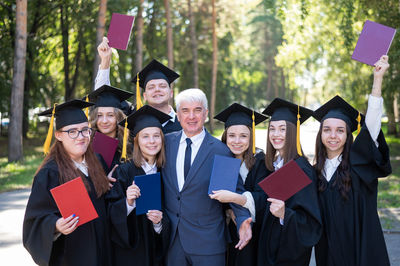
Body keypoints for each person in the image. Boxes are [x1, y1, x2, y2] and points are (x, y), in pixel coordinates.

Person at [313, 55, 391, 266]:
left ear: (348, 135)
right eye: (327, 130)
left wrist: (377, 80)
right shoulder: (314, 172)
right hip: (326, 254)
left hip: (359, 253)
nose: (333, 136)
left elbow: (372, 127)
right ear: (320, 134)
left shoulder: (358, 165)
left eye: (340, 130)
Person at [162, 88, 252, 266]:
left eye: (197, 110)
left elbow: (234, 190)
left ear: (206, 114)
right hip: (173, 242)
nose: (191, 116)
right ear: (178, 115)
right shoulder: (165, 144)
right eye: (185, 111)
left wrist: (243, 220)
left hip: (208, 244)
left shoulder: (221, 150)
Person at [23, 100, 111, 266]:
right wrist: (55, 226)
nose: (81, 137)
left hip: (104, 253)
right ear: (58, 135)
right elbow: (34, 220)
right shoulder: (50, 173)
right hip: (72, 257)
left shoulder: (97, 162)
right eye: (72, 132)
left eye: (85, 130)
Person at [257, 98, 322, 266]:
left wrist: (285, 214)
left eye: (282, 129)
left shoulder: (301, 170)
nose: (276, 134)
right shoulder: (272, 165)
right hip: (269, 248)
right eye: (272, 129)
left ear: (293, 131)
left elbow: (311, 224)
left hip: (288, 255)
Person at [106, 105, 172, 266]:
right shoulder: (123, 172)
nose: (151, 141)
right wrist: (128, 203)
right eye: (145, 136)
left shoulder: (167, 172)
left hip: (157, 254)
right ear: (136, 141)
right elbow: (109, 214)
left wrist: (158, 224)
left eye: (156, 136)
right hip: (130, 255)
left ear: (162, 139)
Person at [211, 103, 269, 266]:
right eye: (232, 135)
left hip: (254, 233)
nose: (237, 141)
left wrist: (236, 199)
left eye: (243, 136)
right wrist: (230, 211)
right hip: (225, 233)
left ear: (251, 138)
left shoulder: (261, 162)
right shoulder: (220, 161)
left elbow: (264, 198)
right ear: (225, 136)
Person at [96, 37, 182, 133]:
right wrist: (105, 60)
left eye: (162, 86)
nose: (157, 89)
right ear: (144, 95)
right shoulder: (133, 117)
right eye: (151, 87)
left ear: (171, 93)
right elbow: (104, 96)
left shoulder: (184, 123)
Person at [87, 84, 134, 173]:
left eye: (110, 115)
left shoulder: (129, 146)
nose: (104, 121)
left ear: (118, 118)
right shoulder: (87, 146)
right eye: (99, 115)